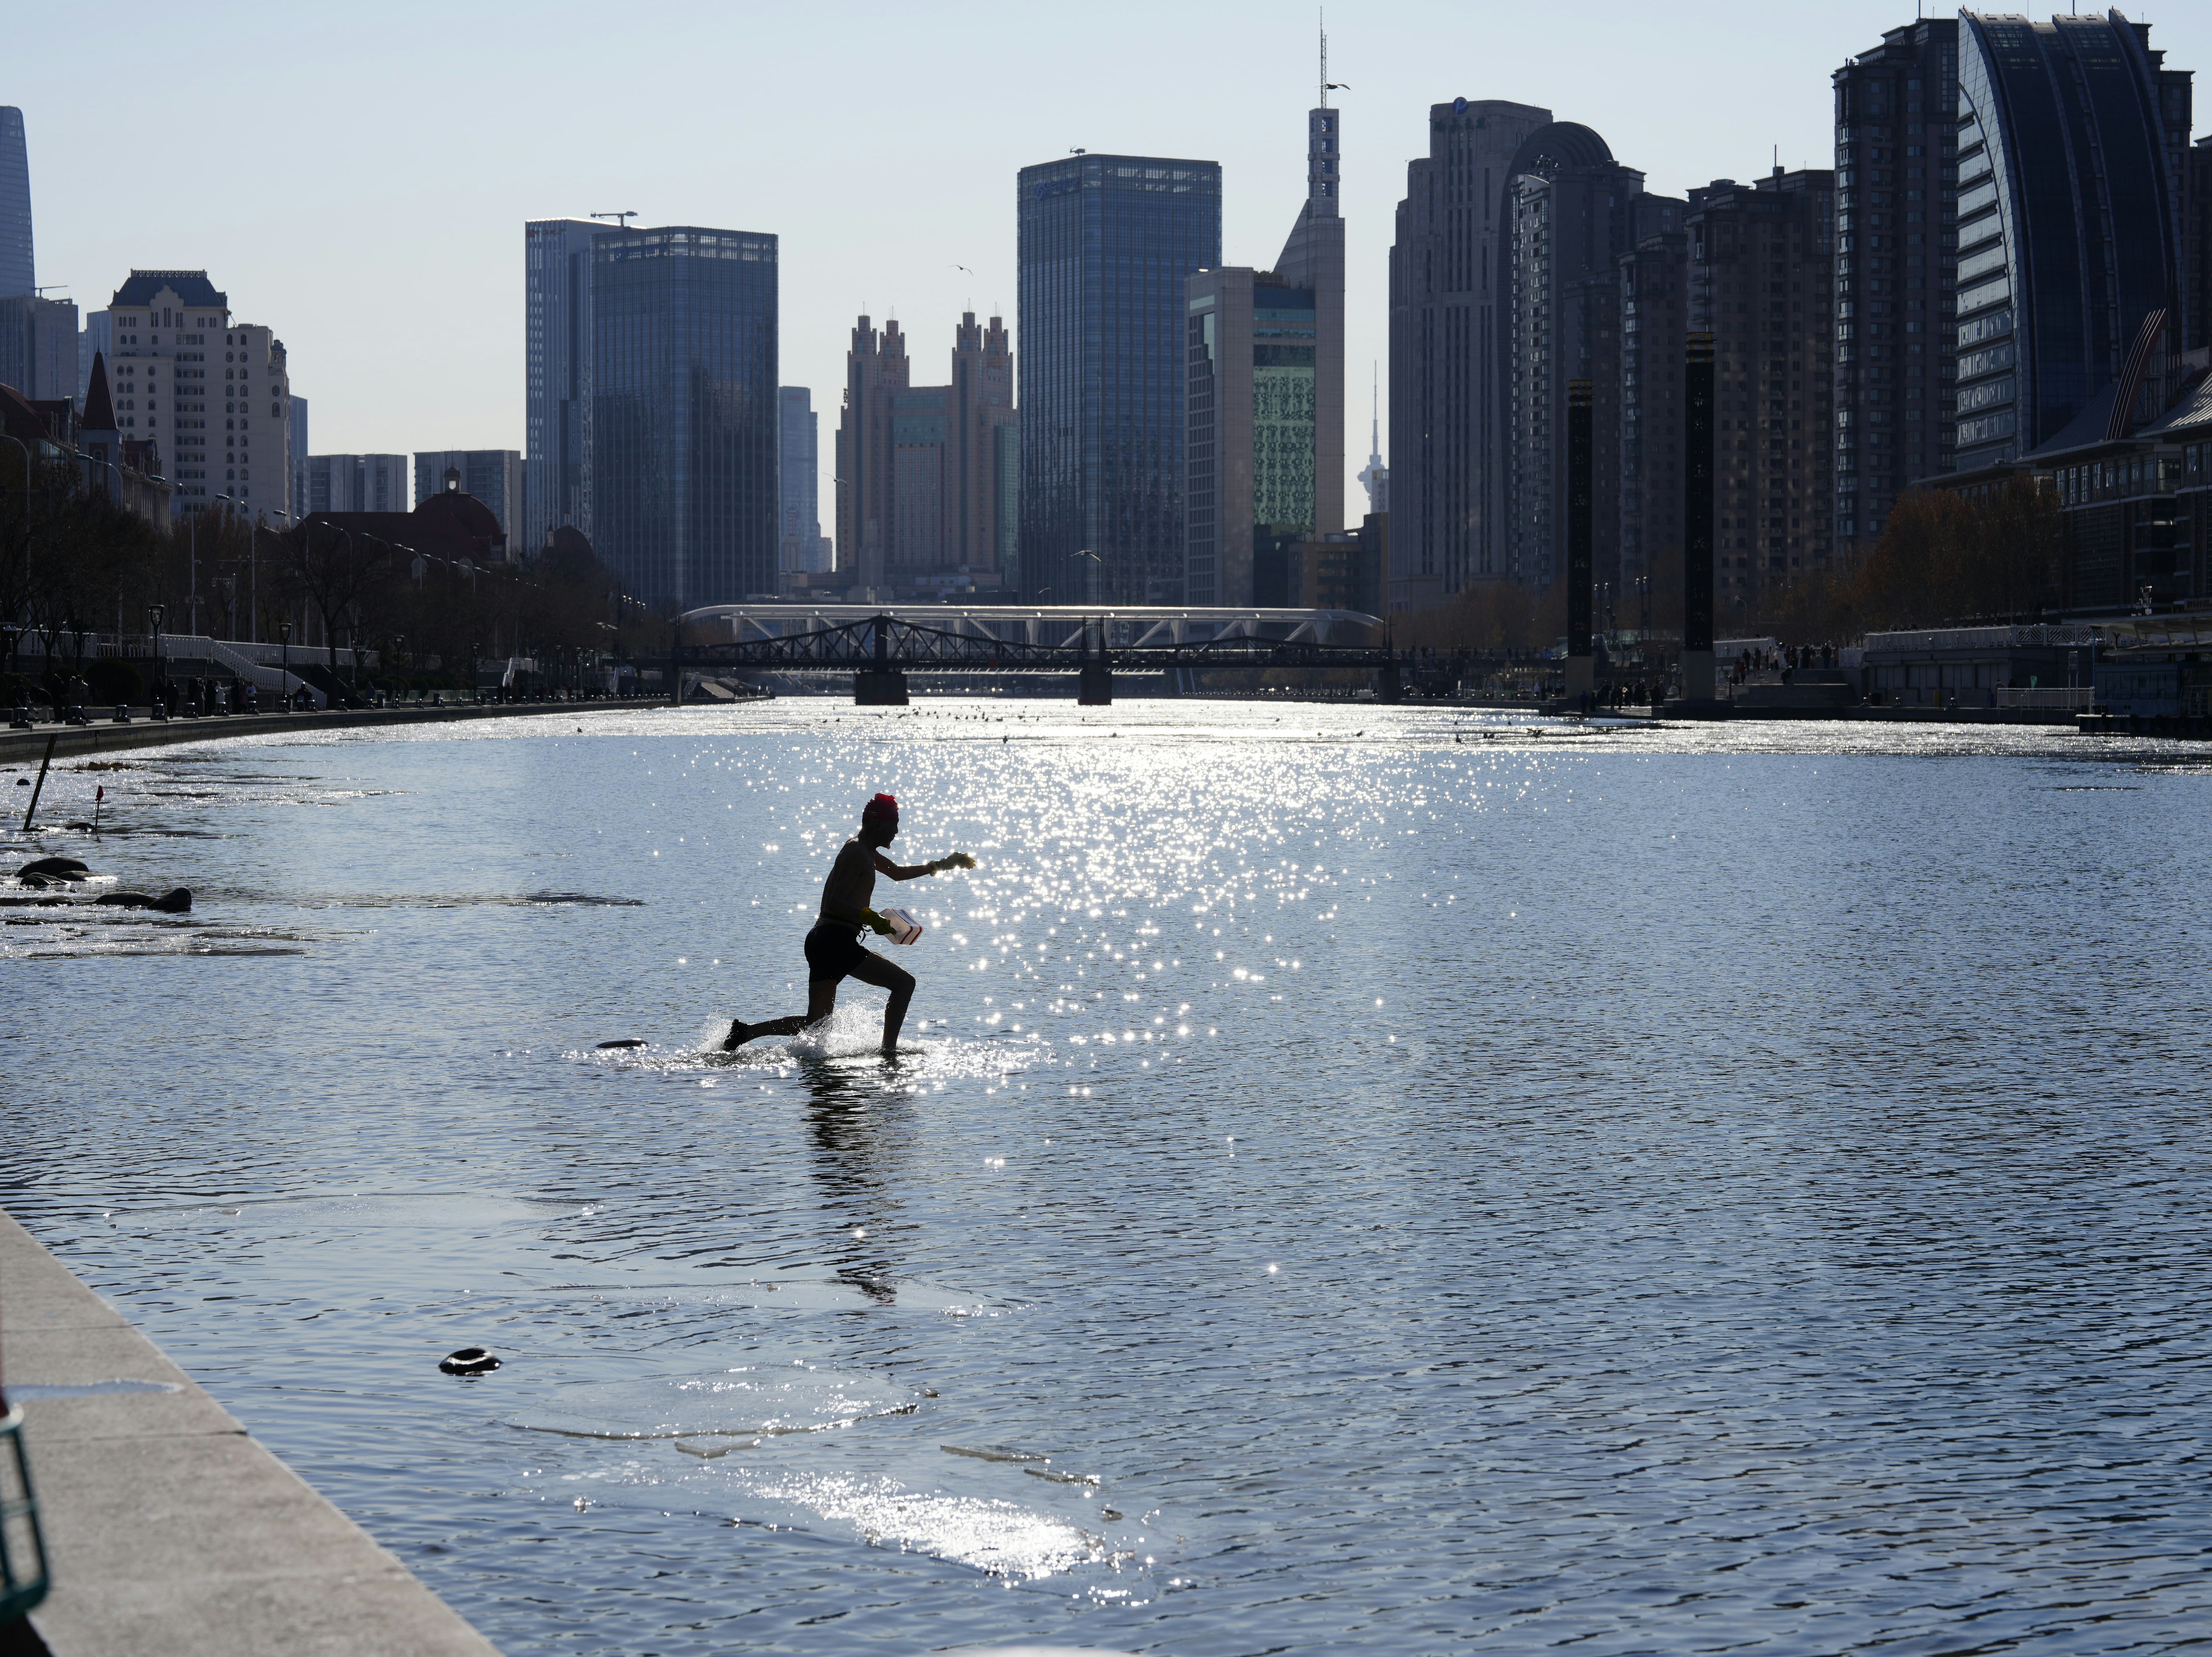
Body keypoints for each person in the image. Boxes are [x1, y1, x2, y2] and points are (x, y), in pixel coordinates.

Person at [724, 793, 974, 1057]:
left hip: (824, 939)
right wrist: (871, 918)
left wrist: (941, 865)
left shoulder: (863, 849)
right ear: (877, 825)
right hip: (834, 940)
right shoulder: (857, 853)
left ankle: (745, 1033)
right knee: (904, 985)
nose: (897, 832)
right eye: (894, 825)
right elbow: (834, 902)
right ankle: (888, 1054)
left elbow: (898, 873)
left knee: (816, 1024)